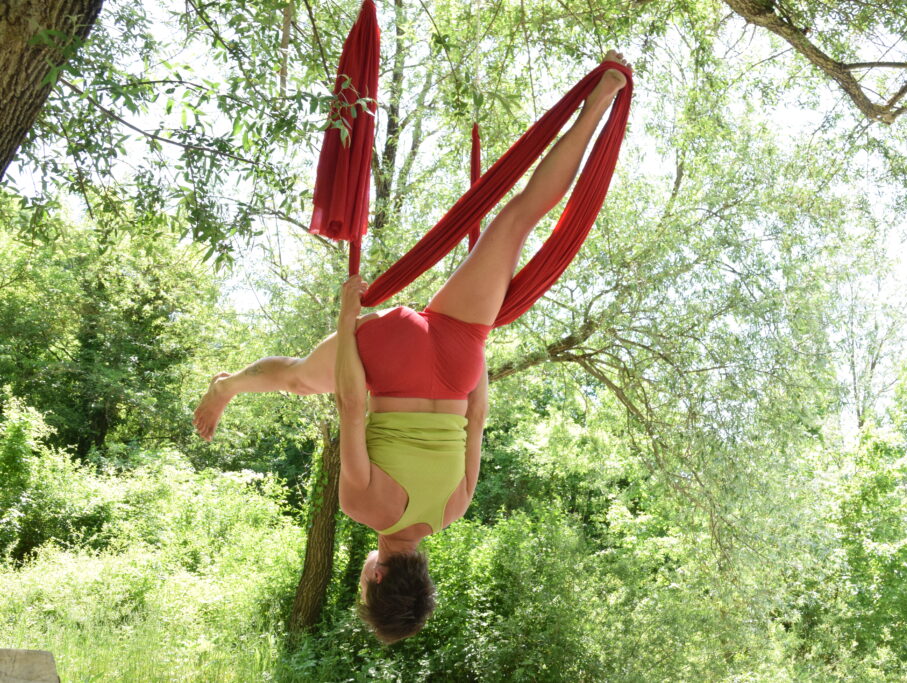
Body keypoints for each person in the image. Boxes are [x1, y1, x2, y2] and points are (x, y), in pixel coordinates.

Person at [193, 51, 631, 642]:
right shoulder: (363, 508)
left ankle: (600, 101)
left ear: (422, 576)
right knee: (299, 377)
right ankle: (230, 385)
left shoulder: (455, 508)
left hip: (456, 362)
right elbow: (352, 406)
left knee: (516, 220)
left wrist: (476, 340)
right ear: (375, 579)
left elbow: (477, 415)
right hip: (394, 360)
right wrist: (348, 320)